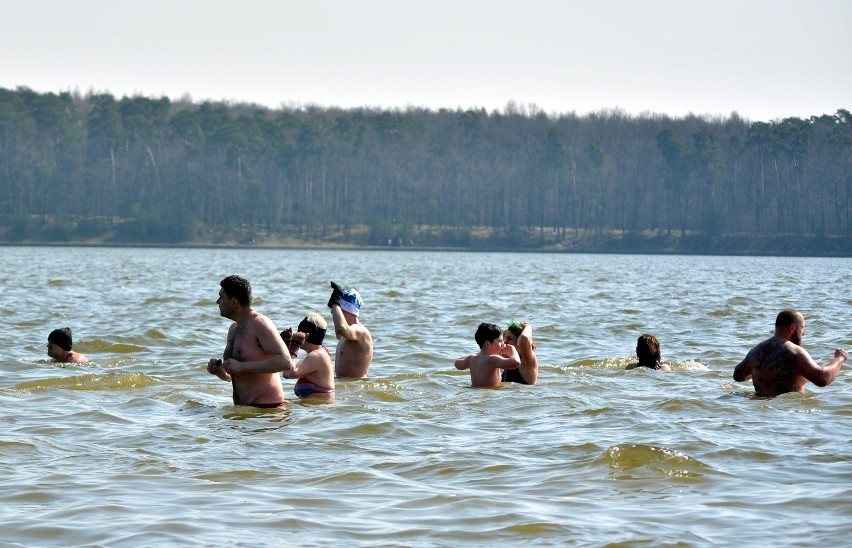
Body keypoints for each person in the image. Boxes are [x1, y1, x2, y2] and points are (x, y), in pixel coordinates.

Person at [207, 275, 294, 408]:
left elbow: (285, 362)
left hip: (268, 410)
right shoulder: (233, 329)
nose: (217, 301)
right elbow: (237, 375)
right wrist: (219, 372)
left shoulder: (260, 324)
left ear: (234, 302)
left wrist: (242, 367)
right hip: (244, 410)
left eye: (221, 297)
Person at [733, 308, 848, 397]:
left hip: (762, 416)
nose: (804, 332)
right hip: (790, 417)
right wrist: (840, 358)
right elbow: (823, 378)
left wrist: (758, 370)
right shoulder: (795, 352)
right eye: (802, 327)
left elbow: (738, 375)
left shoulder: (755, 351)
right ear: (792, 328)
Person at [280, 313, 335, 400]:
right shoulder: (315, 354)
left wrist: (294, 347)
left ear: (306, 336)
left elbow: (289, 374)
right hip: (312, 411)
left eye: (299, 332)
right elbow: (288, 370)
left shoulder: (317, 356)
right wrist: (287, 346)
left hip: (319, 411)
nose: (295, 335)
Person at [327, 282, 373, 378]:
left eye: (339, 310)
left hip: (356, 388)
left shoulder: (360, 331)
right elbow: (338, 331)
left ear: (347, 310)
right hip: (347, 387)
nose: (333, 312)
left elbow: (341, 329)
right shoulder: (347, 335)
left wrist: (336, 303)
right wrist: (335, 305)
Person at [455, 322, 521, 388]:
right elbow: (516, 362)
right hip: (490, 393)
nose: (504, 344)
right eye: (500, 341)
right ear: (488, 344)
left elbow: (457, 364)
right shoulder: (492, 359)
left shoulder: (471, 359)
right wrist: (513, 349)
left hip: (475, 390)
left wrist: (479, 354)